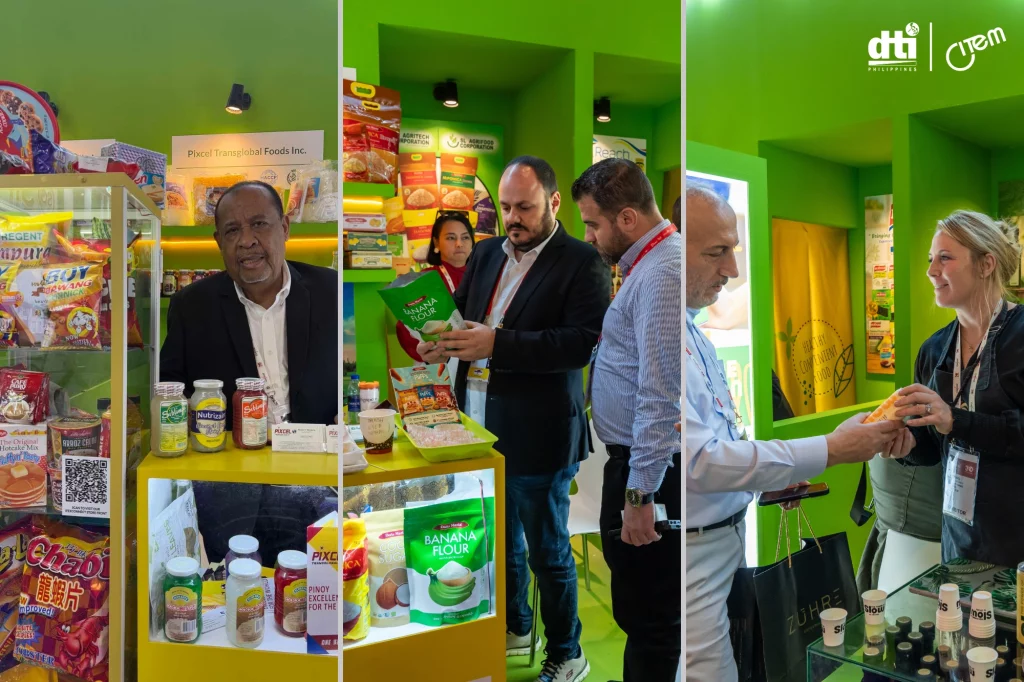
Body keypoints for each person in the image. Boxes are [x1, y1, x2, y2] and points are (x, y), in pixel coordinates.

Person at [684, 186, 907, 681]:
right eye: (717, 252)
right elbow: (701, 463)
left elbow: (721, 446)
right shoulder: (668, 340)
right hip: (694, 553)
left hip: (722, 544)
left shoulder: (695, 335)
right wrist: (832, 449)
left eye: (733, 251)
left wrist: (772, 479)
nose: (732, 270)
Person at [418, 156, 610, 682]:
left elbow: (579, 345)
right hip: (477, 425)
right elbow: (461, 316)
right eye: (505, 207)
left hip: (540, 433)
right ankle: (517, 626)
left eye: (524, 207)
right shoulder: (485, 254)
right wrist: (441, 341)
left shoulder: (582, 261)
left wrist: (496, 344)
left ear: (553, 202)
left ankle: (568, 653)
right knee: (501, 543)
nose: (513, 218)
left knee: (549, 552)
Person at [160, 180, 339, 564]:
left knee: (313, 590)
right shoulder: (192, 306)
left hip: (317, 483)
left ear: (284, 227)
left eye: (259, 224)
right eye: (232, 230)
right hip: (228, 495)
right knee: (235, 591)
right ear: (218, 241)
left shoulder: (331, 292)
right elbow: (170, 392)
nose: (246, 241)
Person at [573, 158, 680, 682]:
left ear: (628, 218)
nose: (588, 236)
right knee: (642, 613)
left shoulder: (661, 273)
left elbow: (661, 396)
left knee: (651, 620)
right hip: (635, 466)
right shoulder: (647, 265)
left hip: (648, 474)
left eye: (593, 223)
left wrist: (640, 496)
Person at [892, 210, 1024, 567]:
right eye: (930, 259)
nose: (931, 271)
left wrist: (955, 420)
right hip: (960, 541)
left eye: (945, 258)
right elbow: (935, 448)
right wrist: (905, 444)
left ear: (986, 265)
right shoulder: (933, 350)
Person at [396, 211, 476, 361]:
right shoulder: (424, 279)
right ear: (436, 242)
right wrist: (428, 353)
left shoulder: (484, 275)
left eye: (465, 237)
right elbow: (405, 328)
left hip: (480, 358)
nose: (459, 244)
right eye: (451, 238)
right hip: (442, 359)